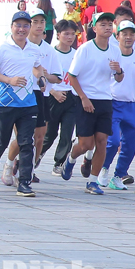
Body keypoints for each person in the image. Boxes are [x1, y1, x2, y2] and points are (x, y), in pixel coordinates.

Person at [61, 12, 123, 194]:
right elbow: (72, 77)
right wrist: (83, 98)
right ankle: (71, 158)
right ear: (94, 28)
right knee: (86, 144)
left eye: (110, 24)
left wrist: (119, 70)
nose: (107, 27)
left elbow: (119, 78)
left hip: (105, 99)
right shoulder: (85, 49)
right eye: (102, 24)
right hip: (85, 99)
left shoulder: (114, 49)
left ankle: (93, 181)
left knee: (102, 141)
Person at [0, 10, 43, 196]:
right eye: (18, 25)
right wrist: (9, 80)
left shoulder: (34, 48)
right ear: (11, 27)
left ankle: (24, 182)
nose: (22, 29)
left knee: (27, 143)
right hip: (6, 102)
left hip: (28, 102)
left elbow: (38, 66)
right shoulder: (3, 48)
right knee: (2, 142)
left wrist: (40, 77)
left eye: (26, 25)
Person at [1, 7, 60, 185]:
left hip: (40, 95)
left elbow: (56, 77)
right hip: (20, 93)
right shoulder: (13, 45)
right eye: (35, 22)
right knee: (23, 138)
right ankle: (9, 164)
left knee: (40, 137)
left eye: (42, 22)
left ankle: (27, 170)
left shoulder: (48, 50)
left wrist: (44, 76)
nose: (39, 25)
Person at [97, 19, 135, 190]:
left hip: (132, 104)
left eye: (131, 34)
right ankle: (103, 168)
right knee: (113, 141)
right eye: (124, 34)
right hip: (113, 103)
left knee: (131, 144)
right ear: (117, 36)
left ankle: (118, 176)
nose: (128, 37)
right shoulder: (111, 55)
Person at [41, 20, 81, 176]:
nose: (70, 37)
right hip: (53, 95)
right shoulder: (51, 53)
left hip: (71, 98)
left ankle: (59, 162)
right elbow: (43, 75)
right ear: (58, 35)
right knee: (49, 133)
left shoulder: (76, 54)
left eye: (72, 34)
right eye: (66, 34)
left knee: (67, 132)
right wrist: (53, 92)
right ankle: (37, 154)